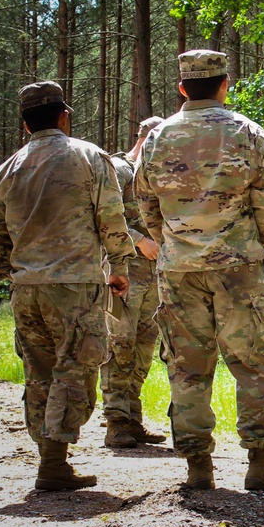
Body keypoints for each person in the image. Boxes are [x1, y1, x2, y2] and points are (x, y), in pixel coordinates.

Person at [134, 49, 264, 492]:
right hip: (238, 266)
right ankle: (260, 463)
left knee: (187, 367)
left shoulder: (157, 137)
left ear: (183, 88)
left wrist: (172, 242)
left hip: (179, 269)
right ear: (225, 84)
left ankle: (197, 465)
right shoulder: (247, 132)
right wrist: (257, 242)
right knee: (255, 361)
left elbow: (145, 202)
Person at [0, 81, 134, 490]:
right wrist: (119, 266)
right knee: (77, 368)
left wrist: (7, 273)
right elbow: (111, 215)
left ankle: (50, 458)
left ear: (26, 124)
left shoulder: (7, 168)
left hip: (27, 287)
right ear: (64, 115)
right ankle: (54, 461)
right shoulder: (88, 156)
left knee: (39, 371)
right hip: (75, 283)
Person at [100, 116, 168, 448]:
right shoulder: (119, 169)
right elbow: (104, 215)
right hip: (123, 273)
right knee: (119, 347)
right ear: (145, 136)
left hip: (153, 277)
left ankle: (133, 420)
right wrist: (140, 239)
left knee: (143, 350)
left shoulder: (160, 174)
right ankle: (115, 423)